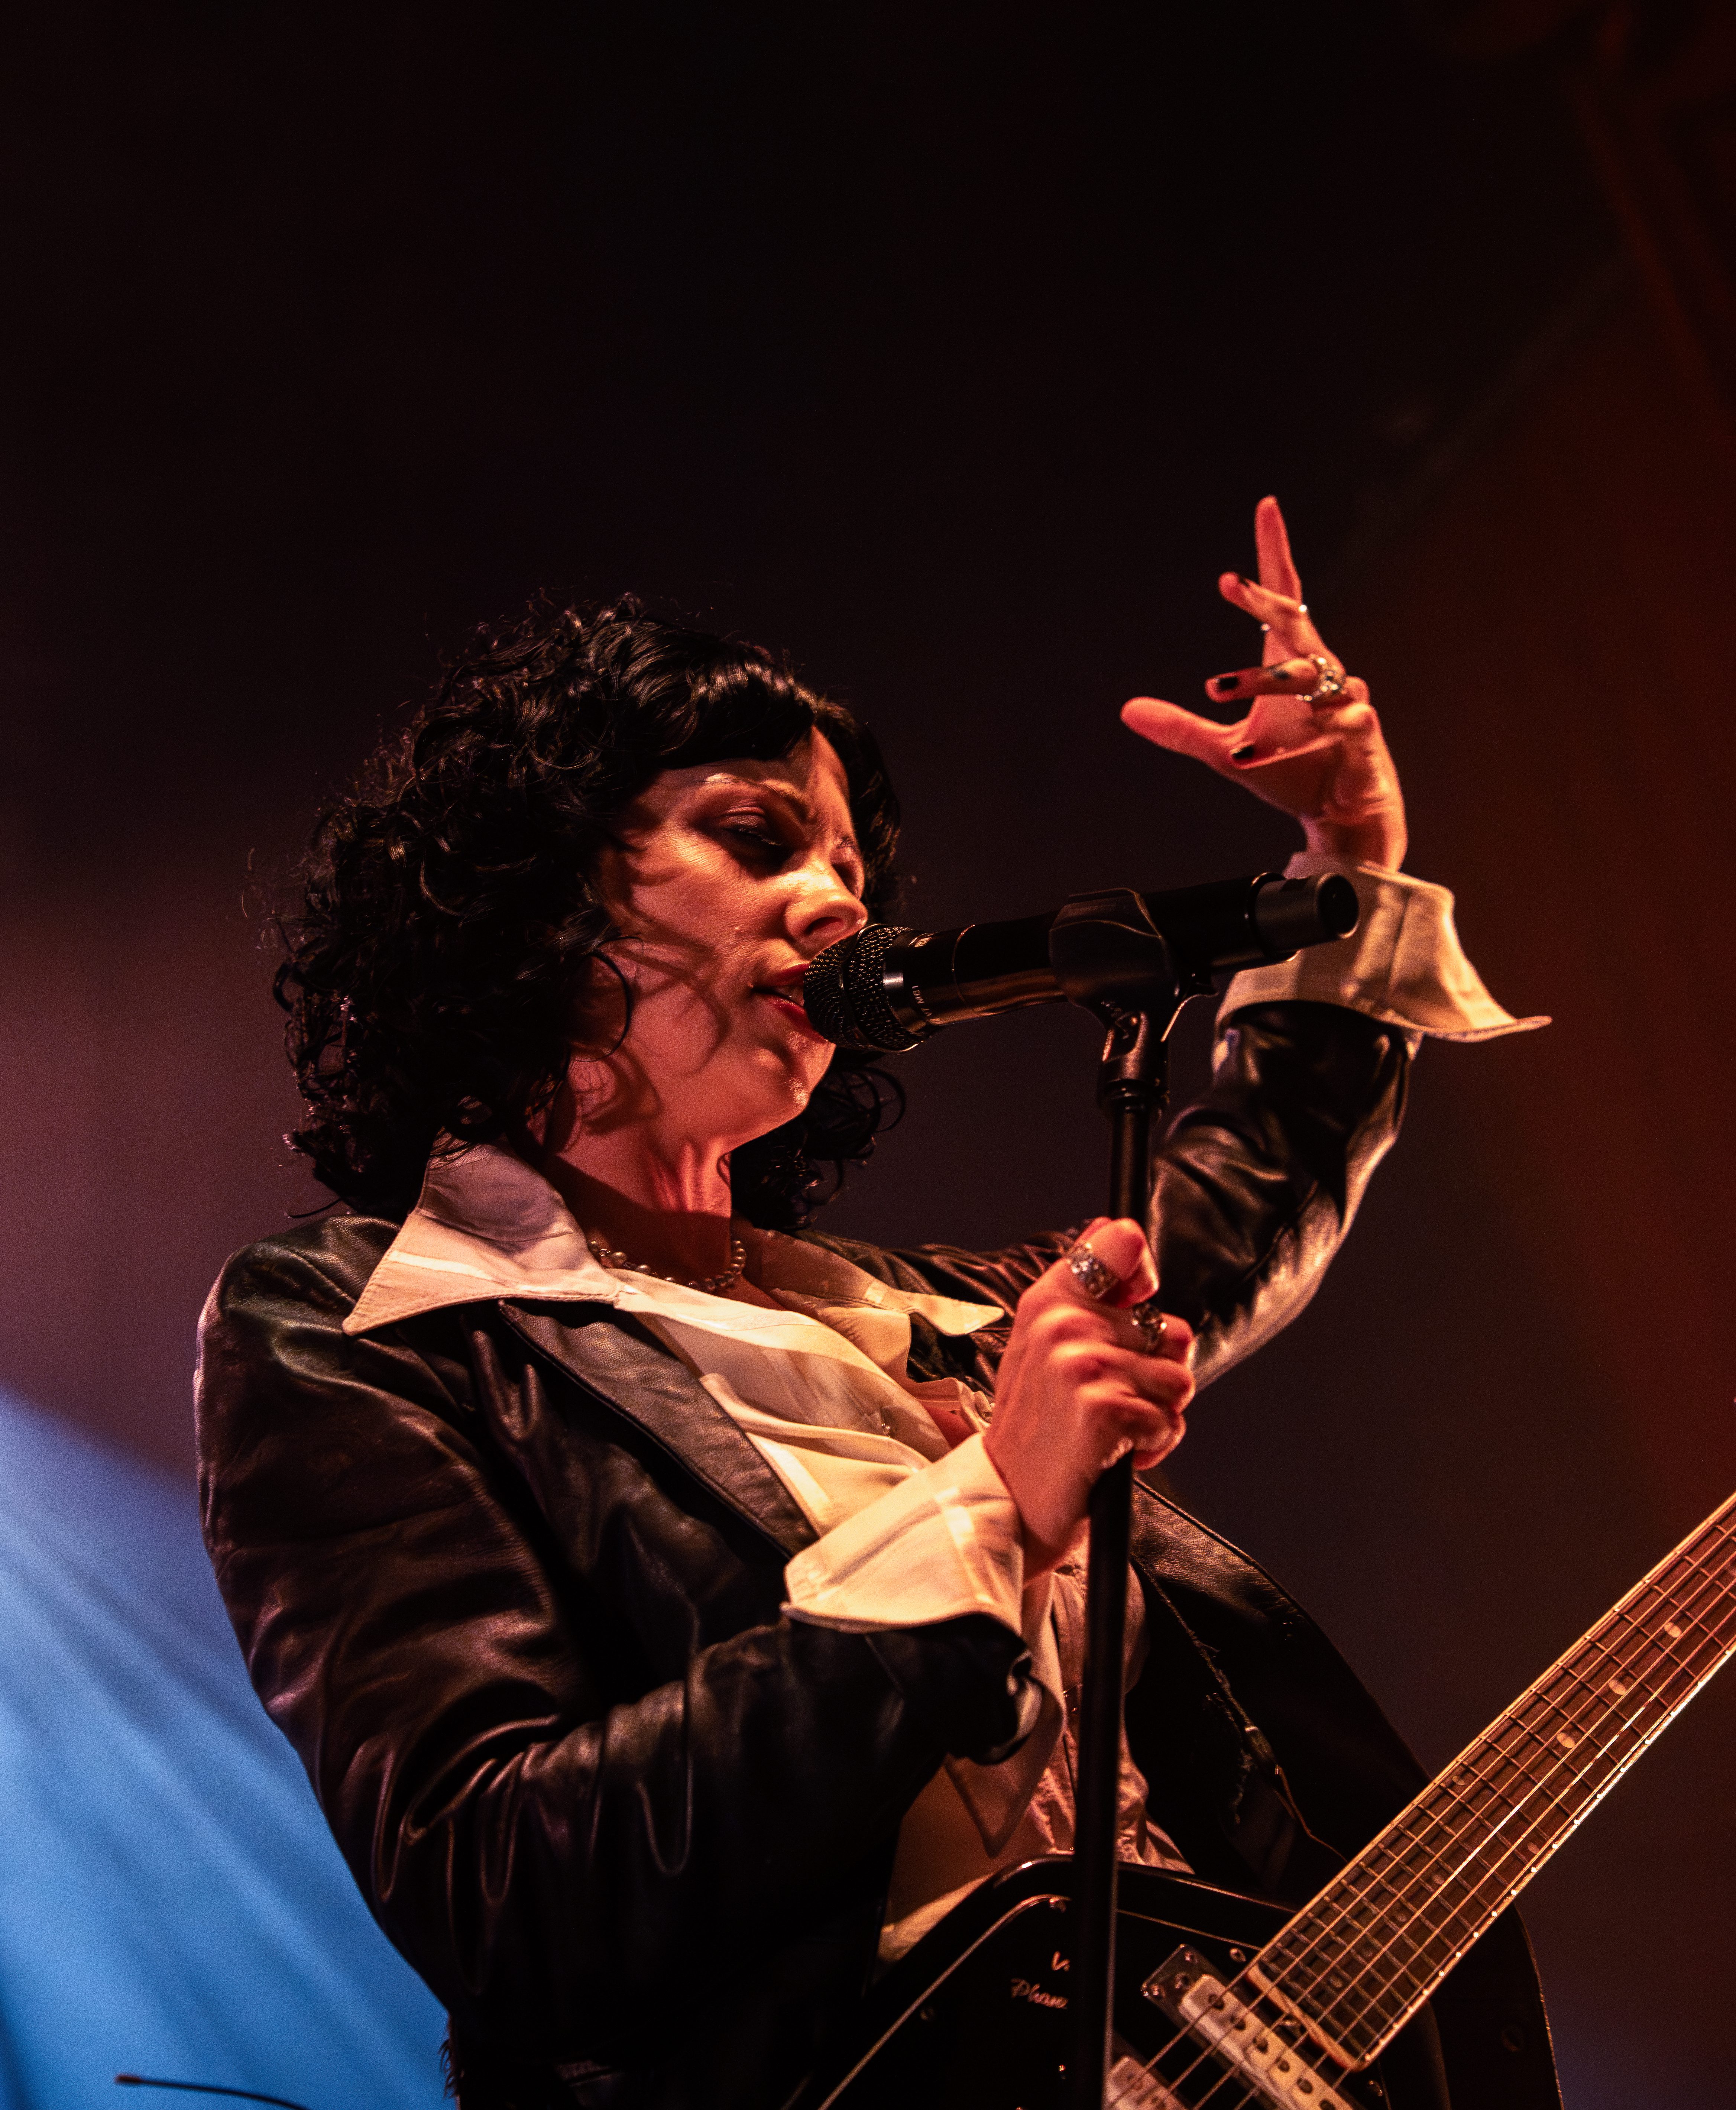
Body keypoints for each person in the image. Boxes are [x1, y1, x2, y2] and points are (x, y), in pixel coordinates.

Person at [195, 500, 1555, 2110]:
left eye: (851, 865)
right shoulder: (365, 1326)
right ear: (543, 890)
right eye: (759, 838)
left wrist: (1349, 854)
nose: (845, 905)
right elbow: (512, 1896)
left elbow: (1242, 1196)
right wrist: (990, 1501)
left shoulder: (915, 1317)